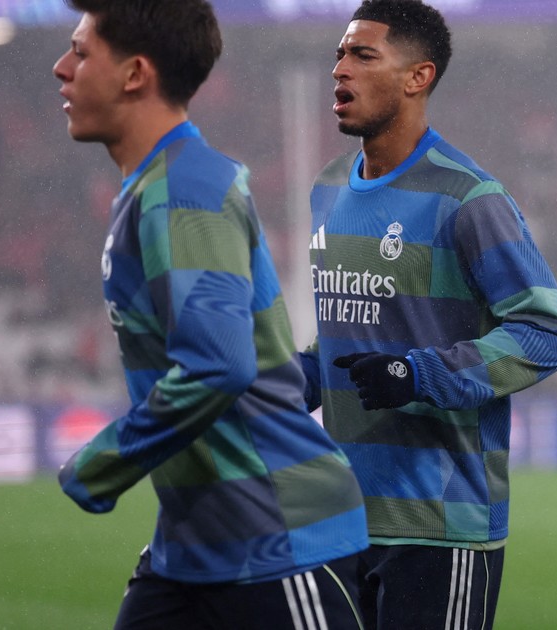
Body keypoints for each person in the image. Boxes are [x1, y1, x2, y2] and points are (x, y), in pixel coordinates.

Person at [52, 2, 368, 628]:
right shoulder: (158, 185)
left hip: (278, 540)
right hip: (194, 547)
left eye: (82, 53)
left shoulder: (186, 188)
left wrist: (104, 462)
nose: (62, 68)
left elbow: (217, 365)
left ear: (135, 73)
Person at [297, 0, 557, 627]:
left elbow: (546, 333)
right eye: (339, 54)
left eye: (362, 55)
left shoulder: (469, 198)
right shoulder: (328, 189)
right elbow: (352, 334)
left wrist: (419, 374)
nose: (340, 69)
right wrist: (293, 378)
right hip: (339, 520)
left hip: (438, 523)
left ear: (417, 77)